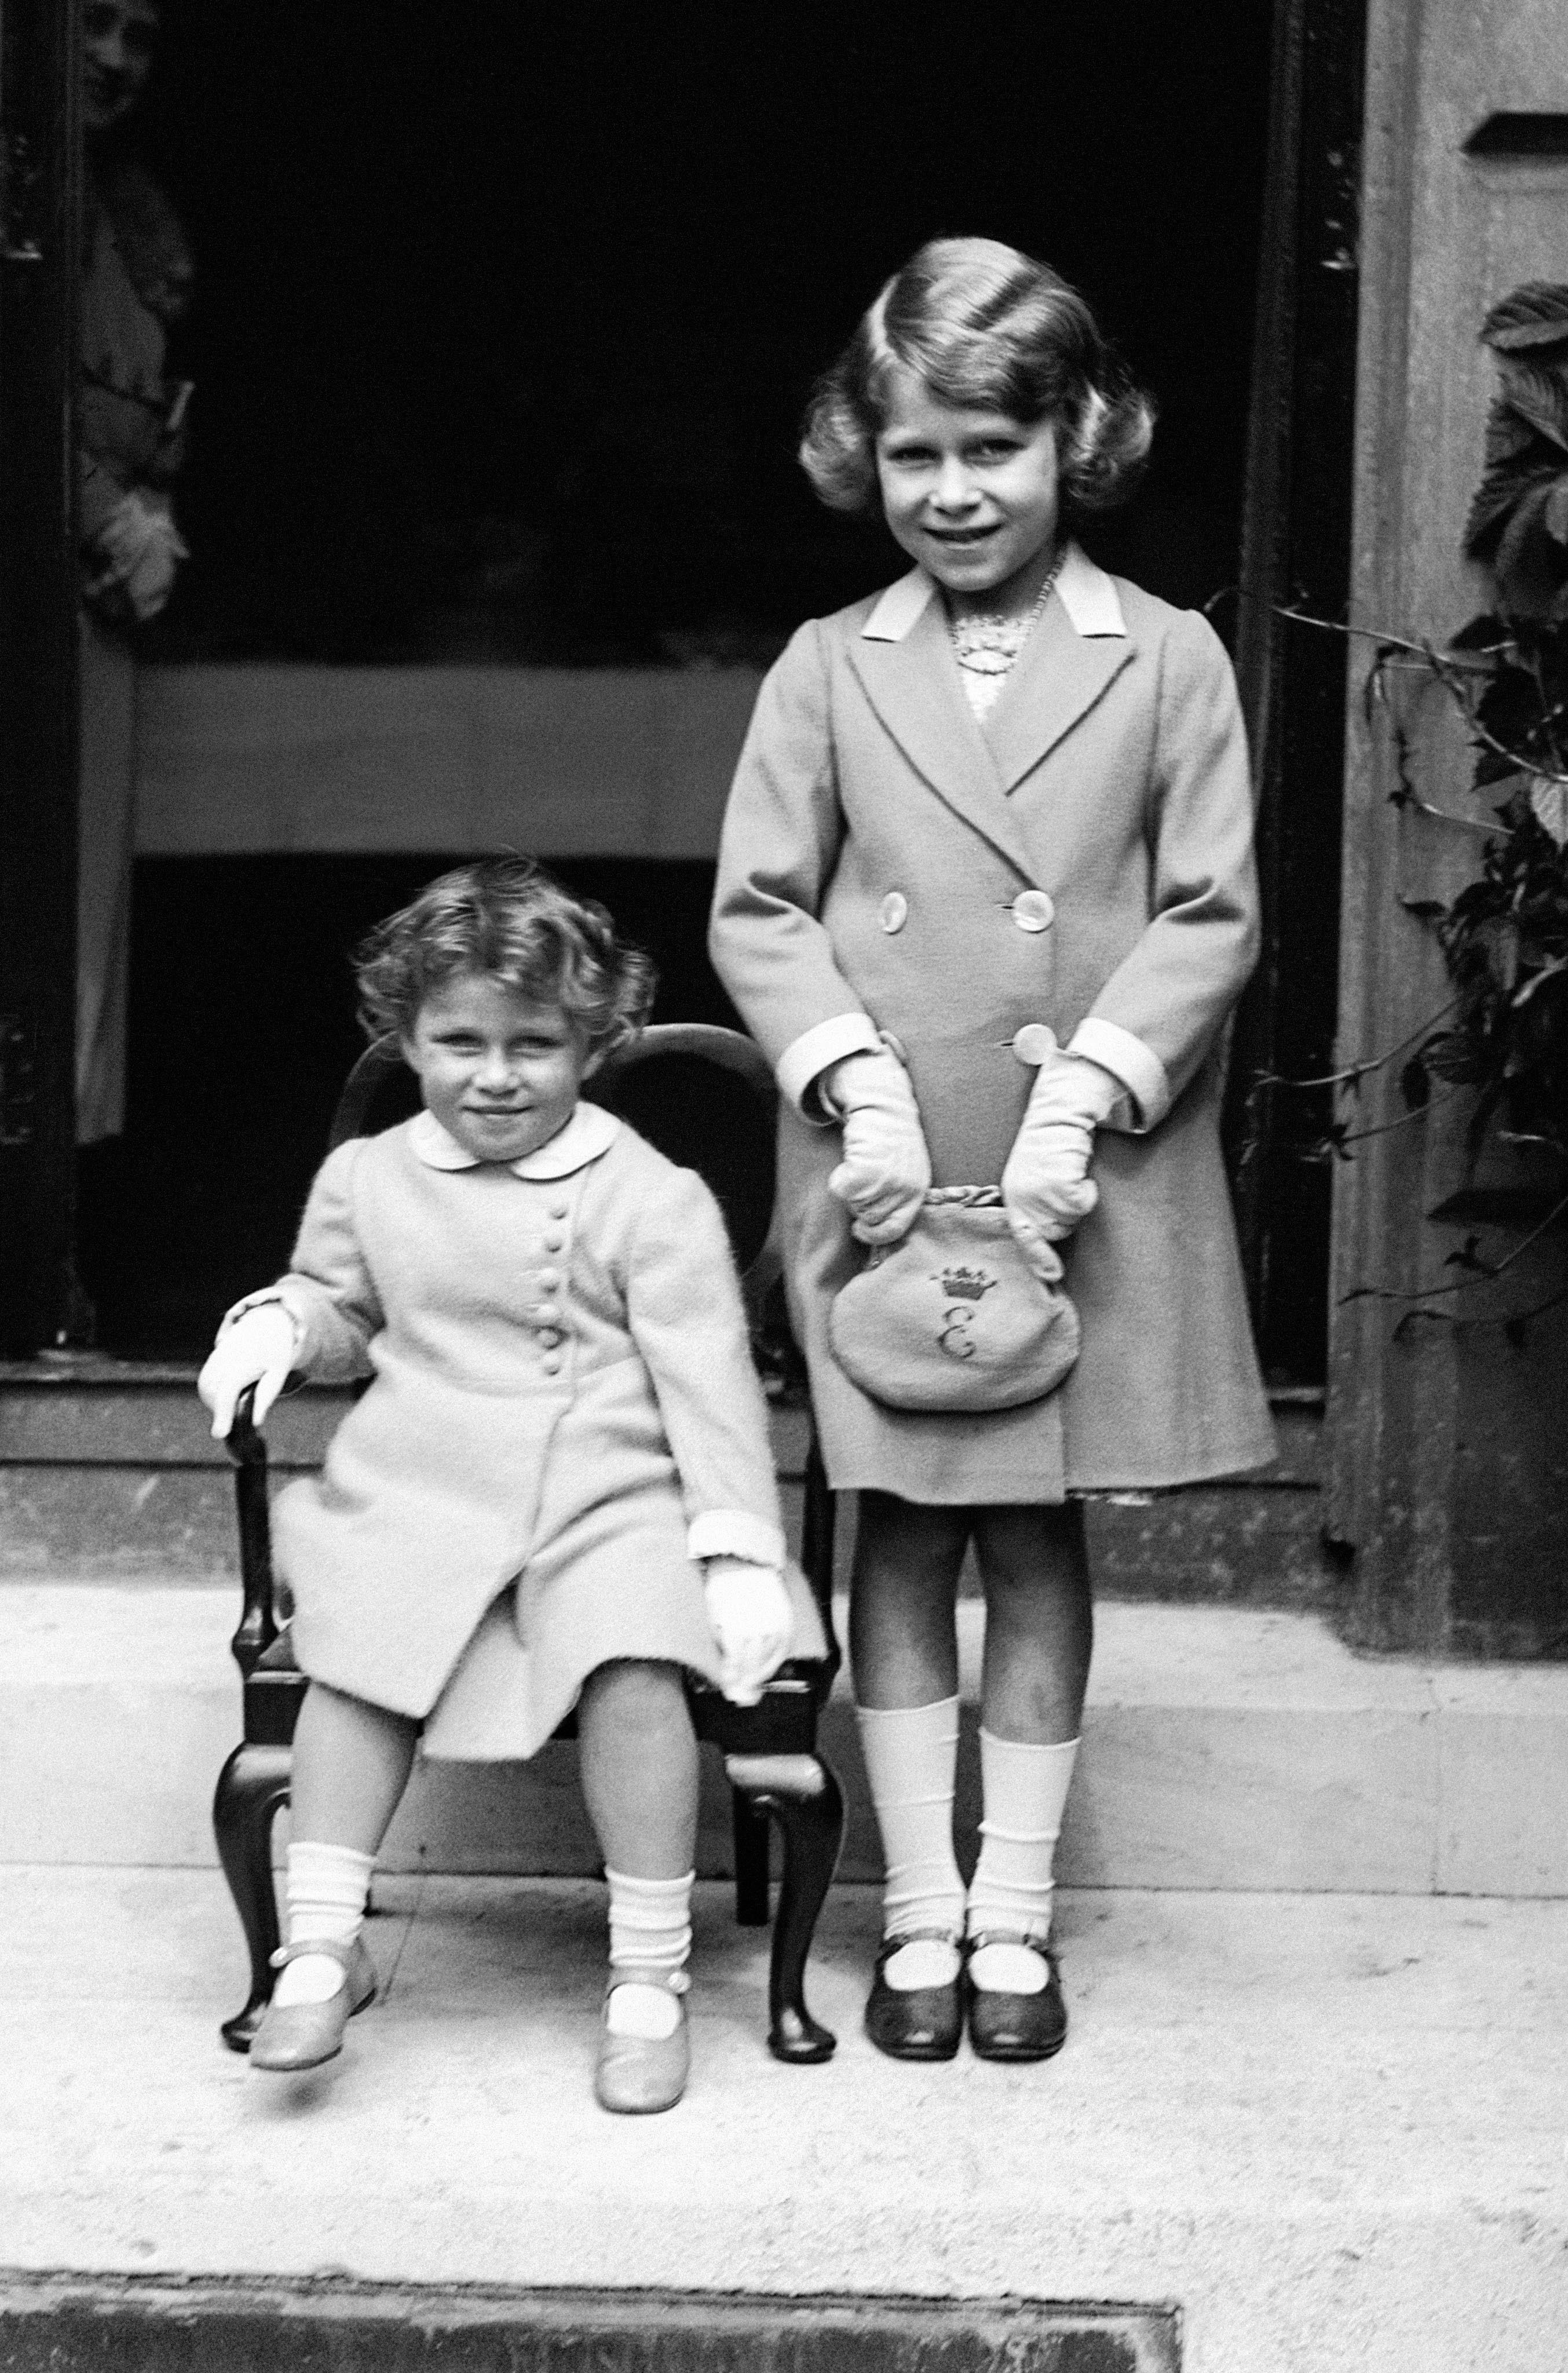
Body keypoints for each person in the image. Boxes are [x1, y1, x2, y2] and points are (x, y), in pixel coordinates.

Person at [710, 238, 1275, 2065]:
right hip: (892, 1165)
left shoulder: (1166, 655)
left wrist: (1086, 1090)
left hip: (1069, 1168)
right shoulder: (822, 665)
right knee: (891, 1529)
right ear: (858, 459)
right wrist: (848, 1081)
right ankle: (919, 1916)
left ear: (1074, 441)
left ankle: (1014, 1919)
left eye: (991, 450)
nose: (951, 492)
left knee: (1032, 1535)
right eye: (911, 456)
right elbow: (759, 906)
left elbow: (1208, 912)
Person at [198, 859, 813, 2113]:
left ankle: (648, 1973)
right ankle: (320, 1944)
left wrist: (738, 1543)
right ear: (404, 1036)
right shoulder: (368, 1177)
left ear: (593, 1043)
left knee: (637, 1660)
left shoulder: (649, 1192)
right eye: (458, 1040)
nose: (495, 1073)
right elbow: (339, 1303)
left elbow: (705, 1377)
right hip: (421, 1473)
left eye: (534, 1043)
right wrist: (278, 1326)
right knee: (357, 1655)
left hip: (611, 1480)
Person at [79, 0, 193, 1145]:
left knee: (78, 933)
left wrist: (152, 505)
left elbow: (147, 405)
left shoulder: (125, 204)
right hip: (27, 587)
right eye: (91, 25)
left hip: (93, 608)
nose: (114, 59)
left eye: (140, 37)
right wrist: (108, 515)